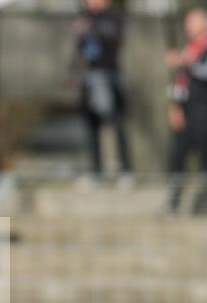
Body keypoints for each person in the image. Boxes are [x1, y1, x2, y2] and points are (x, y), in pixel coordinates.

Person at [165, 8, 207, 214]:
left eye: (192, 22)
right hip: (186, 110)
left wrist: (185, 62)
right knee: (177, 156)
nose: (187, 27)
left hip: (205, 110)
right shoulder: (189, 47)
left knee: (205, 158)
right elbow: (180, 80)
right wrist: (175, 106)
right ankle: (173, 203)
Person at [74, 0, 132, 178]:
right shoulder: (84, 19)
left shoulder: (113, 19)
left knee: (117, 124)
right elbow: (80, 50)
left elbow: (115, 37)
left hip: (110, 75)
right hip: (90, 77)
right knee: (91, 126)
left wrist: (94, 29)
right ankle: (95, 170)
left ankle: (125, 170)